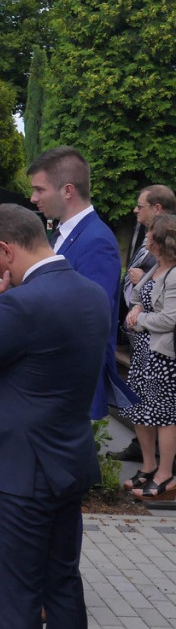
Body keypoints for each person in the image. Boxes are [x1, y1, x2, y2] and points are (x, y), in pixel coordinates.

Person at [0, 203, 109, 628]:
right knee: (62, 583)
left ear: (5, 250)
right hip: (67, 460)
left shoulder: (19, 304)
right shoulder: (91, 293)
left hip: (18, 471)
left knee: (15, 594)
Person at [28, 146, 136, 420]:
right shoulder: (63, 234)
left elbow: (89, 319)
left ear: (67, 190)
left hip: (69, 385)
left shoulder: (97, 240)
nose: (33, 198)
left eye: (40, 190)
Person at [111, 184, 176, 462]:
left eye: (141, 206)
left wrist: (139, 320)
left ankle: (162, 468)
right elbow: (142, 292)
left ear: (157, 208)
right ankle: (146, 458)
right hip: (143, 344)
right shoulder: (148, 239)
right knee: (142, 405)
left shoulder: (166, 250)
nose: (136, 210)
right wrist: (136, 303)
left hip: (160, 348)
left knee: (160, 410)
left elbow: (168, 313)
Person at [123, 213, 176, 499]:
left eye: (149, 234)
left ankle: (165, 474)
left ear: (162, 240)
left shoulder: (175, 273)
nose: (145, 238)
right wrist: (134, 310)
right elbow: (137, 298)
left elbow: (170, 319)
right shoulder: (155, 266)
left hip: (162, 357)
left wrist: (140, 320)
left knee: (164, 415)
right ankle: (148, 466)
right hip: (143, 352)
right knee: (139, 409)